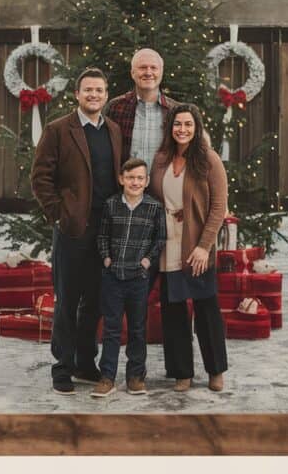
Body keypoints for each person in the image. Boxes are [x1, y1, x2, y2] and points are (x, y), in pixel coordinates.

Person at [30, 67, 122, 395]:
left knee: (95, 301)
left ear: (106, 95)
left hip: (104, 230)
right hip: (72, 229)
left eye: (99, 90)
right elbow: (40, 177)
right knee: (68, 301)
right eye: (88, 90)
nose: (93, 95)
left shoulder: (112, 130)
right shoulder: (58, 130)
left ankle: (86, 362)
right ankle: (62, 367)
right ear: (77, 95)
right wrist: (59, 214)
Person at [149, 102, 228, 393]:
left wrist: (204, 247)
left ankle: (215, 371)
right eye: (178, 124)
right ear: (170, 128)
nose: (183, 129)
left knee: (207, 310)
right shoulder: (160, 160)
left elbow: (218, 207)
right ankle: (182, 372)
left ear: (196, 128)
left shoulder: (208, 160)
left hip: (196, 244)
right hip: (168, 243)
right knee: (174, 312)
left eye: (188, 125)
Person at [91, 157, 166, 398]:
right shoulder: (111, 205)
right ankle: (107, 377)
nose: (135, 182)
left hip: (138, 278)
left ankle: (135, 376)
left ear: (146, 182)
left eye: (140, 178)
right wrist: (106, 258)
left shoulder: (154, 207)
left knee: (137, 329)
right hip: (113, 276)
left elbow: (160, 239)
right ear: (122, 179)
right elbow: (102, 235)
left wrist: (147, 261)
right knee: (112, 329)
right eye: (130, 177)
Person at [106, 48, 177, 167]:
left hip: (163, 185)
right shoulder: (115, 107)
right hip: (125, 184)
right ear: (132, 73)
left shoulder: (175, 111)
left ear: (161, 72)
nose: (148, 72)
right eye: (142, 67)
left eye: (154, 68)